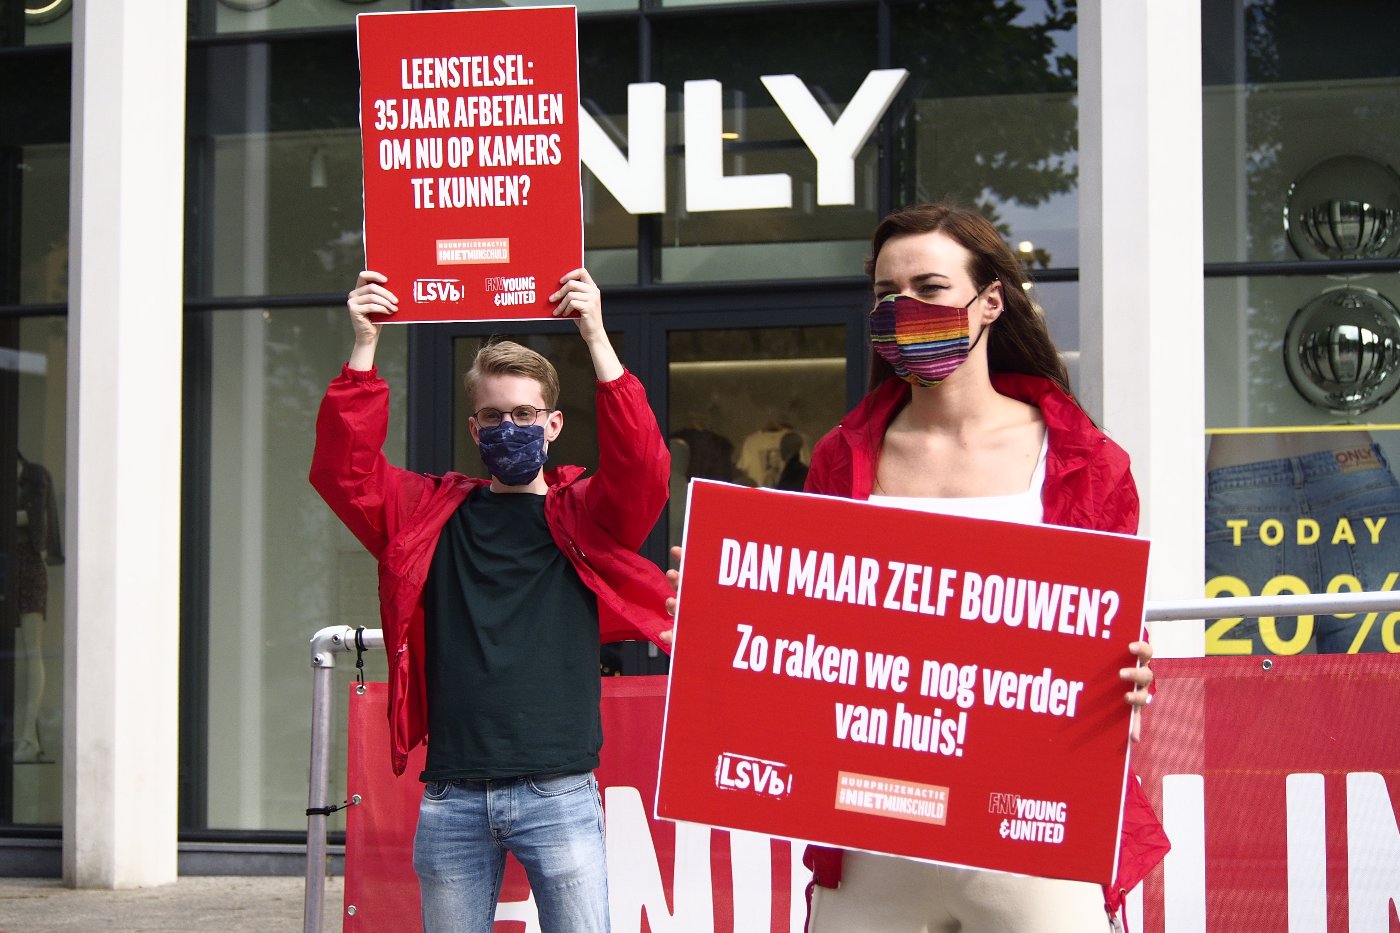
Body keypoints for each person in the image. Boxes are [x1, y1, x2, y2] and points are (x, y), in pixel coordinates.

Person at [666, 204, 1166, 932]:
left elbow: (1111, 633)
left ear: (990, 301)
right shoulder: (842, 458)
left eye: (930, 287)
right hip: (874, 832)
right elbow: (807, 635)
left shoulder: (1084, 461)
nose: (904, 310)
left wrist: (1132, 674)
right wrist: (721, 618)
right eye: (885, 295)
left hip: (1030, 837)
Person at [310, 268, 673, 933]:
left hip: (559, 791)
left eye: (526, 414)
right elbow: (345, 471)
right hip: (453, 793)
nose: (510, 426)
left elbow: (643, 467)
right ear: (474, 428)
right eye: (493, 415)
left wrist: (593, 331)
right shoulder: (428, 515)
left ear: (554, 423)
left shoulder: (584, 517)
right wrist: (365, 344)